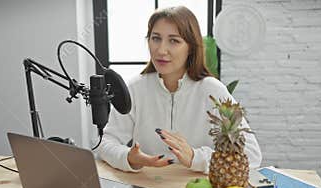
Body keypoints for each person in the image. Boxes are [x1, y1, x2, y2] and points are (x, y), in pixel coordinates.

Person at [97, 6, 262, 173]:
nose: (161, 50)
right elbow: (106, 143)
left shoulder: (213, 90)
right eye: (155, 38)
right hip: (148, 187)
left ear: (191, 47)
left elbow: (252, 156)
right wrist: (128, 158)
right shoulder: (134, 88)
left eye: (174, 40)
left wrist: (195, 158)